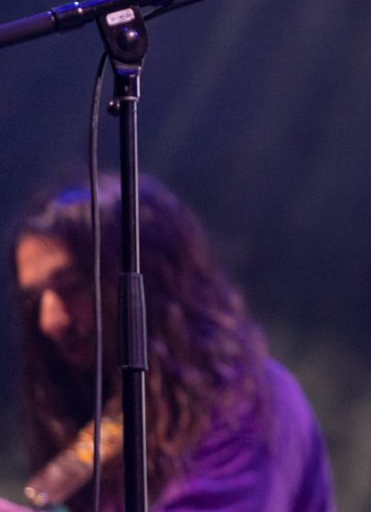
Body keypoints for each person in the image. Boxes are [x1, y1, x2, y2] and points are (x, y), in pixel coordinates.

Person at [5, 173, 336, 512]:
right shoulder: (114, 417)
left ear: (149, 282)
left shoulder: (249, 404)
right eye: (35, 300)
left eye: (71, 286)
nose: (49, 320)